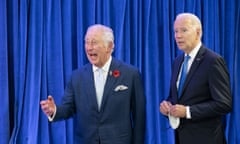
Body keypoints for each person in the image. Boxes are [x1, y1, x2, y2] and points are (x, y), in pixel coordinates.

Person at [40, 24, 146, 144]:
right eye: (87, 42)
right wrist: (54, 110)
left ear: (109, 46)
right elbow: (68, 108)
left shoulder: (130, 74)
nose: (89, 47)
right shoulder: (77, 77)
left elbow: (139, 118)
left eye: (94, 42)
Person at [159, 13, 232, 144]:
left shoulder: (213, 61)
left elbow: (224, 104)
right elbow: (176, 97)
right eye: (175, 31)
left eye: (183, 30)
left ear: (198, 32)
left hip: (207, 139)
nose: (178, 35)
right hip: (182, 138)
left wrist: (188, 111)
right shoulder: (178, 62)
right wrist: (168, 105)